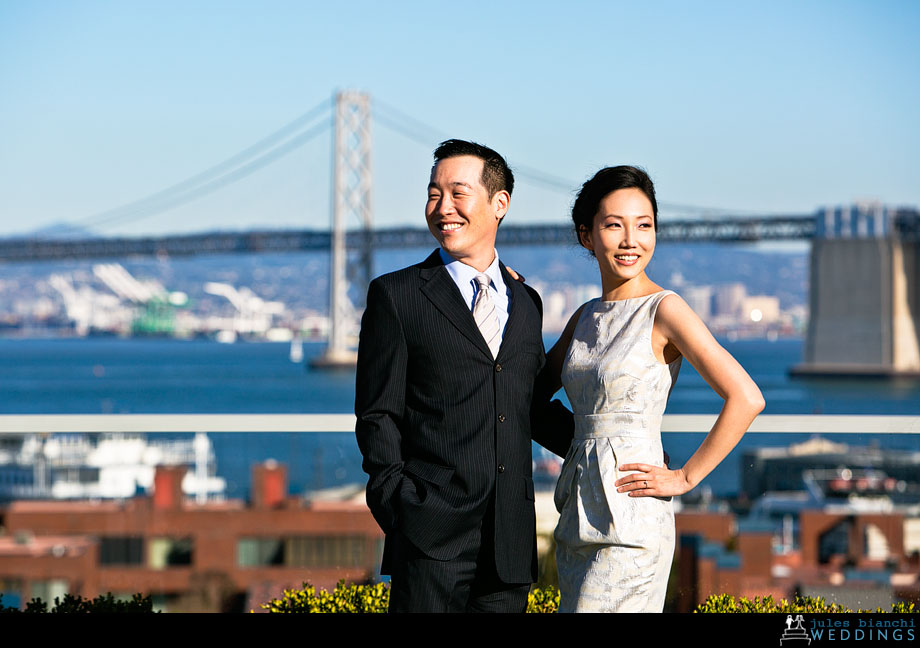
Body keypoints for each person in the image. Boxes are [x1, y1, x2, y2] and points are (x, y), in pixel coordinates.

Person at [354, 139, 573, 613]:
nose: (442, 208)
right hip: (428, 537)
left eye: (458, 193)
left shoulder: (526, 303)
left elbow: (529, 407)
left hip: (509, 544)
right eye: (434, 194)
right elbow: (377, 415)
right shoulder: (396, 296)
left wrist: (611, 449)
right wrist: (399, 507)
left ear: (499, 204)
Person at [544, 165, 765, 612]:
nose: (631, 240)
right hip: (576, 514)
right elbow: (527, 394)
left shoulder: (666, 309)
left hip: (633, 518)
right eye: (614, 225)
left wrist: (685, 477)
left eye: (644, 225)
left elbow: (746, 397)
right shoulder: (583, 315)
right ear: (586, 235)